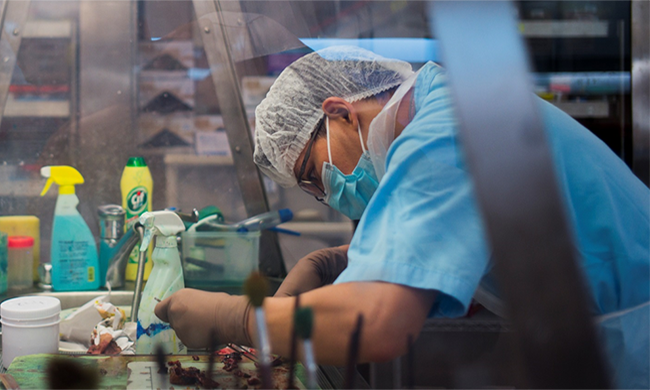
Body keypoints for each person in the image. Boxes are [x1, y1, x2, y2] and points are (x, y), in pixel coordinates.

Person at [153, 46, 650, 388]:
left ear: (339, 112)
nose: (322, 196)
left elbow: (379, 324)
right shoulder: (447, 109)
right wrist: (347, 261)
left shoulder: (440, 137)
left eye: (311, 174)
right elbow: (466, 234)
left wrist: (236, 318)